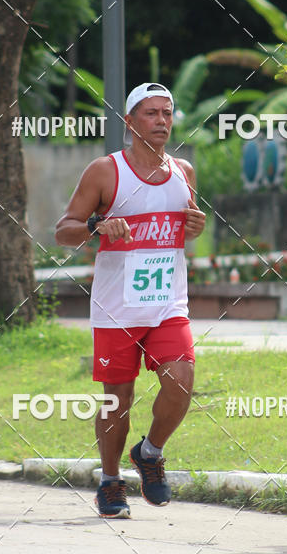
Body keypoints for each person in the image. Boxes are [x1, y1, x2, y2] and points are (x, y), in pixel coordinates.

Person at [55, 82, 205, 518]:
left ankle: (151, 452)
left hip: (167, 305)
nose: (162, 121)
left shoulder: (184, 171)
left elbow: (186, 226)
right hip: (115, 309)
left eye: (167, 113)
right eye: (151, 113)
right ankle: (109, 480)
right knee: (116, 399)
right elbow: (63, 229)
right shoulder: (105, 171)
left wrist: (193, 227)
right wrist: (98, 226)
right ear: (130, 121)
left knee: (181, 380)